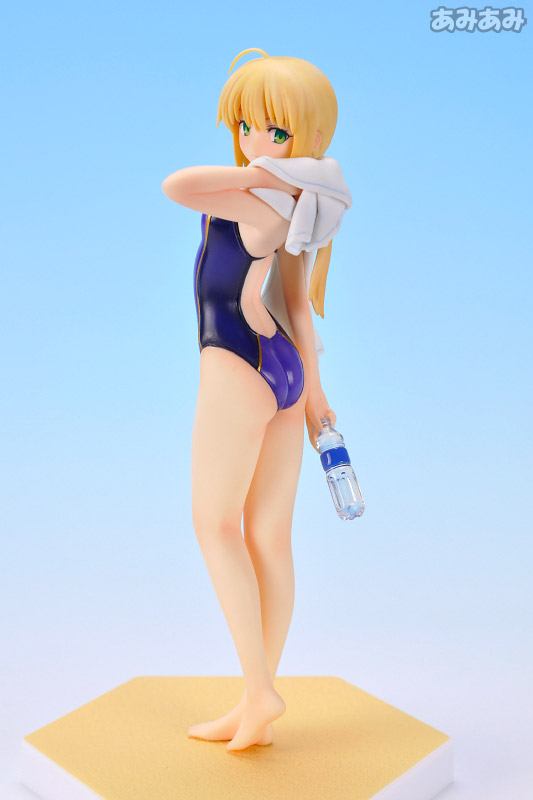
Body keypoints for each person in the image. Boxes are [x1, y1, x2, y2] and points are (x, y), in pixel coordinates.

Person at [162, 47, 351, 752]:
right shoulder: (302, 206)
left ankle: (260, 689)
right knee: (268, 536)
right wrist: (315, 394)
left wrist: (264, 171)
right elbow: (296, 304)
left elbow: (176, 184)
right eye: (245, 126)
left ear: (308, 137)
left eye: (274, 130)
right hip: (283, 366)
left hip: (235, 361)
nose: (253, 142)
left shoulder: (254, 194)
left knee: (215, 525)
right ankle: (254, 703)